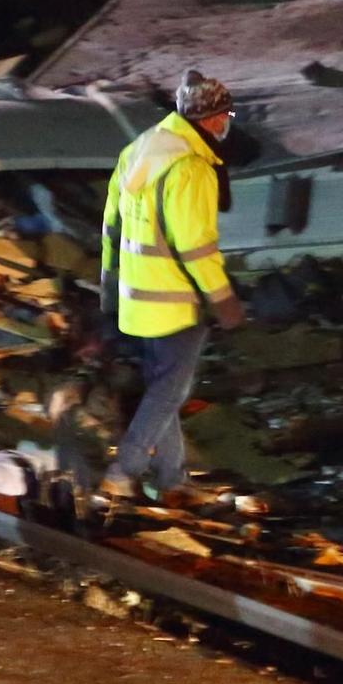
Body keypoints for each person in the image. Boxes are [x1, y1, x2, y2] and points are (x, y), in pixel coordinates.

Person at [96, 69, 246, 501]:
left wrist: (110, 288)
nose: (227, 122)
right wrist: (224, 300)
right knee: (169, 391)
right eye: (226, 114)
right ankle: (122, 473)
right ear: (212, 118)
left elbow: (111, 225)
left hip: (137, 298)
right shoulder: (192, 167)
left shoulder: (137, 151)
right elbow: (195, 245)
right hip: (178, 301)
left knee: (164, 389)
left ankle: (172, 481)